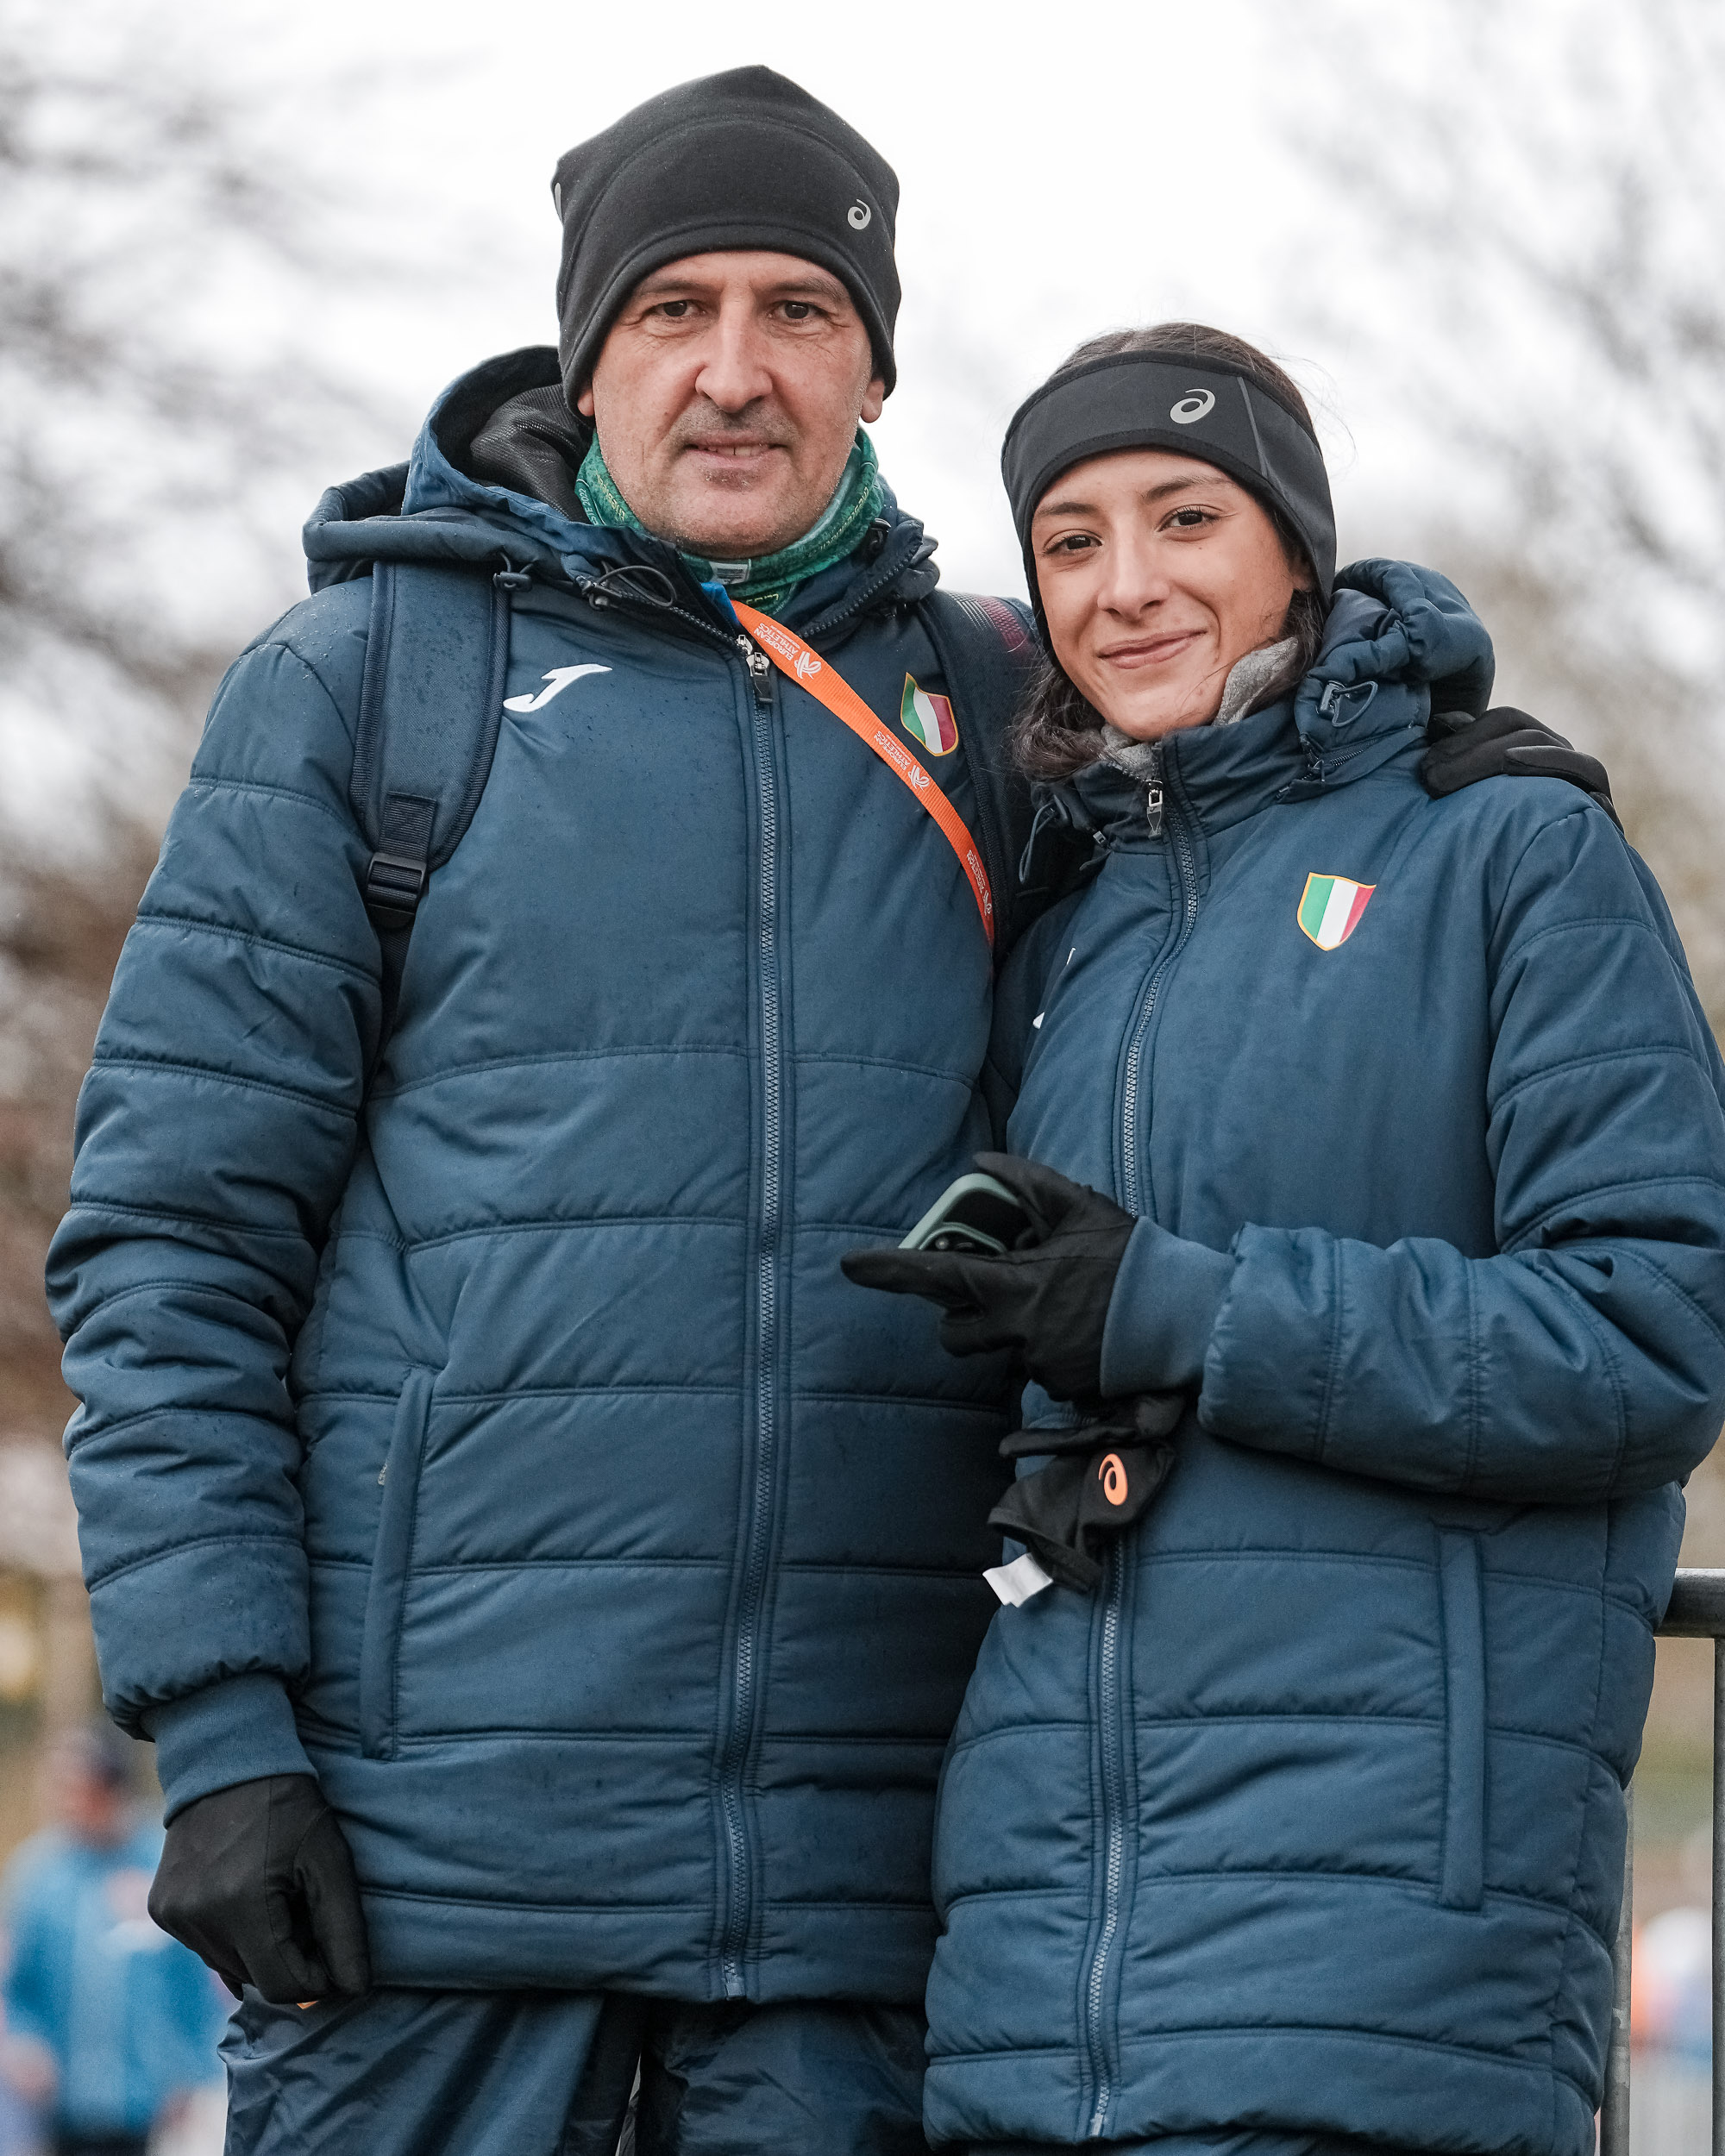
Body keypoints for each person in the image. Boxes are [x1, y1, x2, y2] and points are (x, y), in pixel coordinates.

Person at [46, 65, 1605, 2154]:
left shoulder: (999, 713)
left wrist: (1415, 753)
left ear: (874, 368)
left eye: (797, 309)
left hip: (869, 1909)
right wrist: (220, 1727)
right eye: (672, 309)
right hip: (427, 1877)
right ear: (585, 356)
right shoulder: (362, 688)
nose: (733, 369)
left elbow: (1233, 774)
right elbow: (172, 1248)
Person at [844, 324, 1725, 2156]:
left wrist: (1180, 1307)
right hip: (1035, 1984)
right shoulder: (1065, 924)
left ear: (1299, 553)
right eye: (1071, 539)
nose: (1126, 583)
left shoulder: (1510, 853)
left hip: (1382, 1963)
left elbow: (1650, 1336)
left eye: (1185, 517)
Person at [1, 1727, 223, 2156]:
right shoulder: (38, 1877)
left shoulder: (164, 1866)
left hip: (150, 2107)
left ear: (112, 1789)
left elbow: (197, 1983)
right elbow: (20, 1987)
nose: (64, 1802)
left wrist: (194, 2072)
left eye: (76, 1789)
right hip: (60, 2106)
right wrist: (24, 2042)